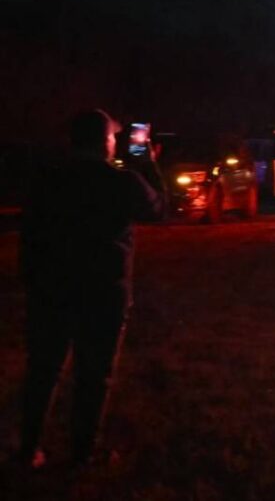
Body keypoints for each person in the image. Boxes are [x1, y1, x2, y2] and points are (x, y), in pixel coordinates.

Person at [12, 109, 165, 470]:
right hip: (103, 294)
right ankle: (82, 453)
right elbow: (159, 208)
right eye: (112, 137)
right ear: (104, 143)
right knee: (93, 375)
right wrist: (148, 164)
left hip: (51, 291)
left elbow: (29, 237)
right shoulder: (121, 182)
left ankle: (28, 449)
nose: (115, 142)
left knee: (43, 371)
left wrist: (31, 281)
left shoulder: (47, 182)